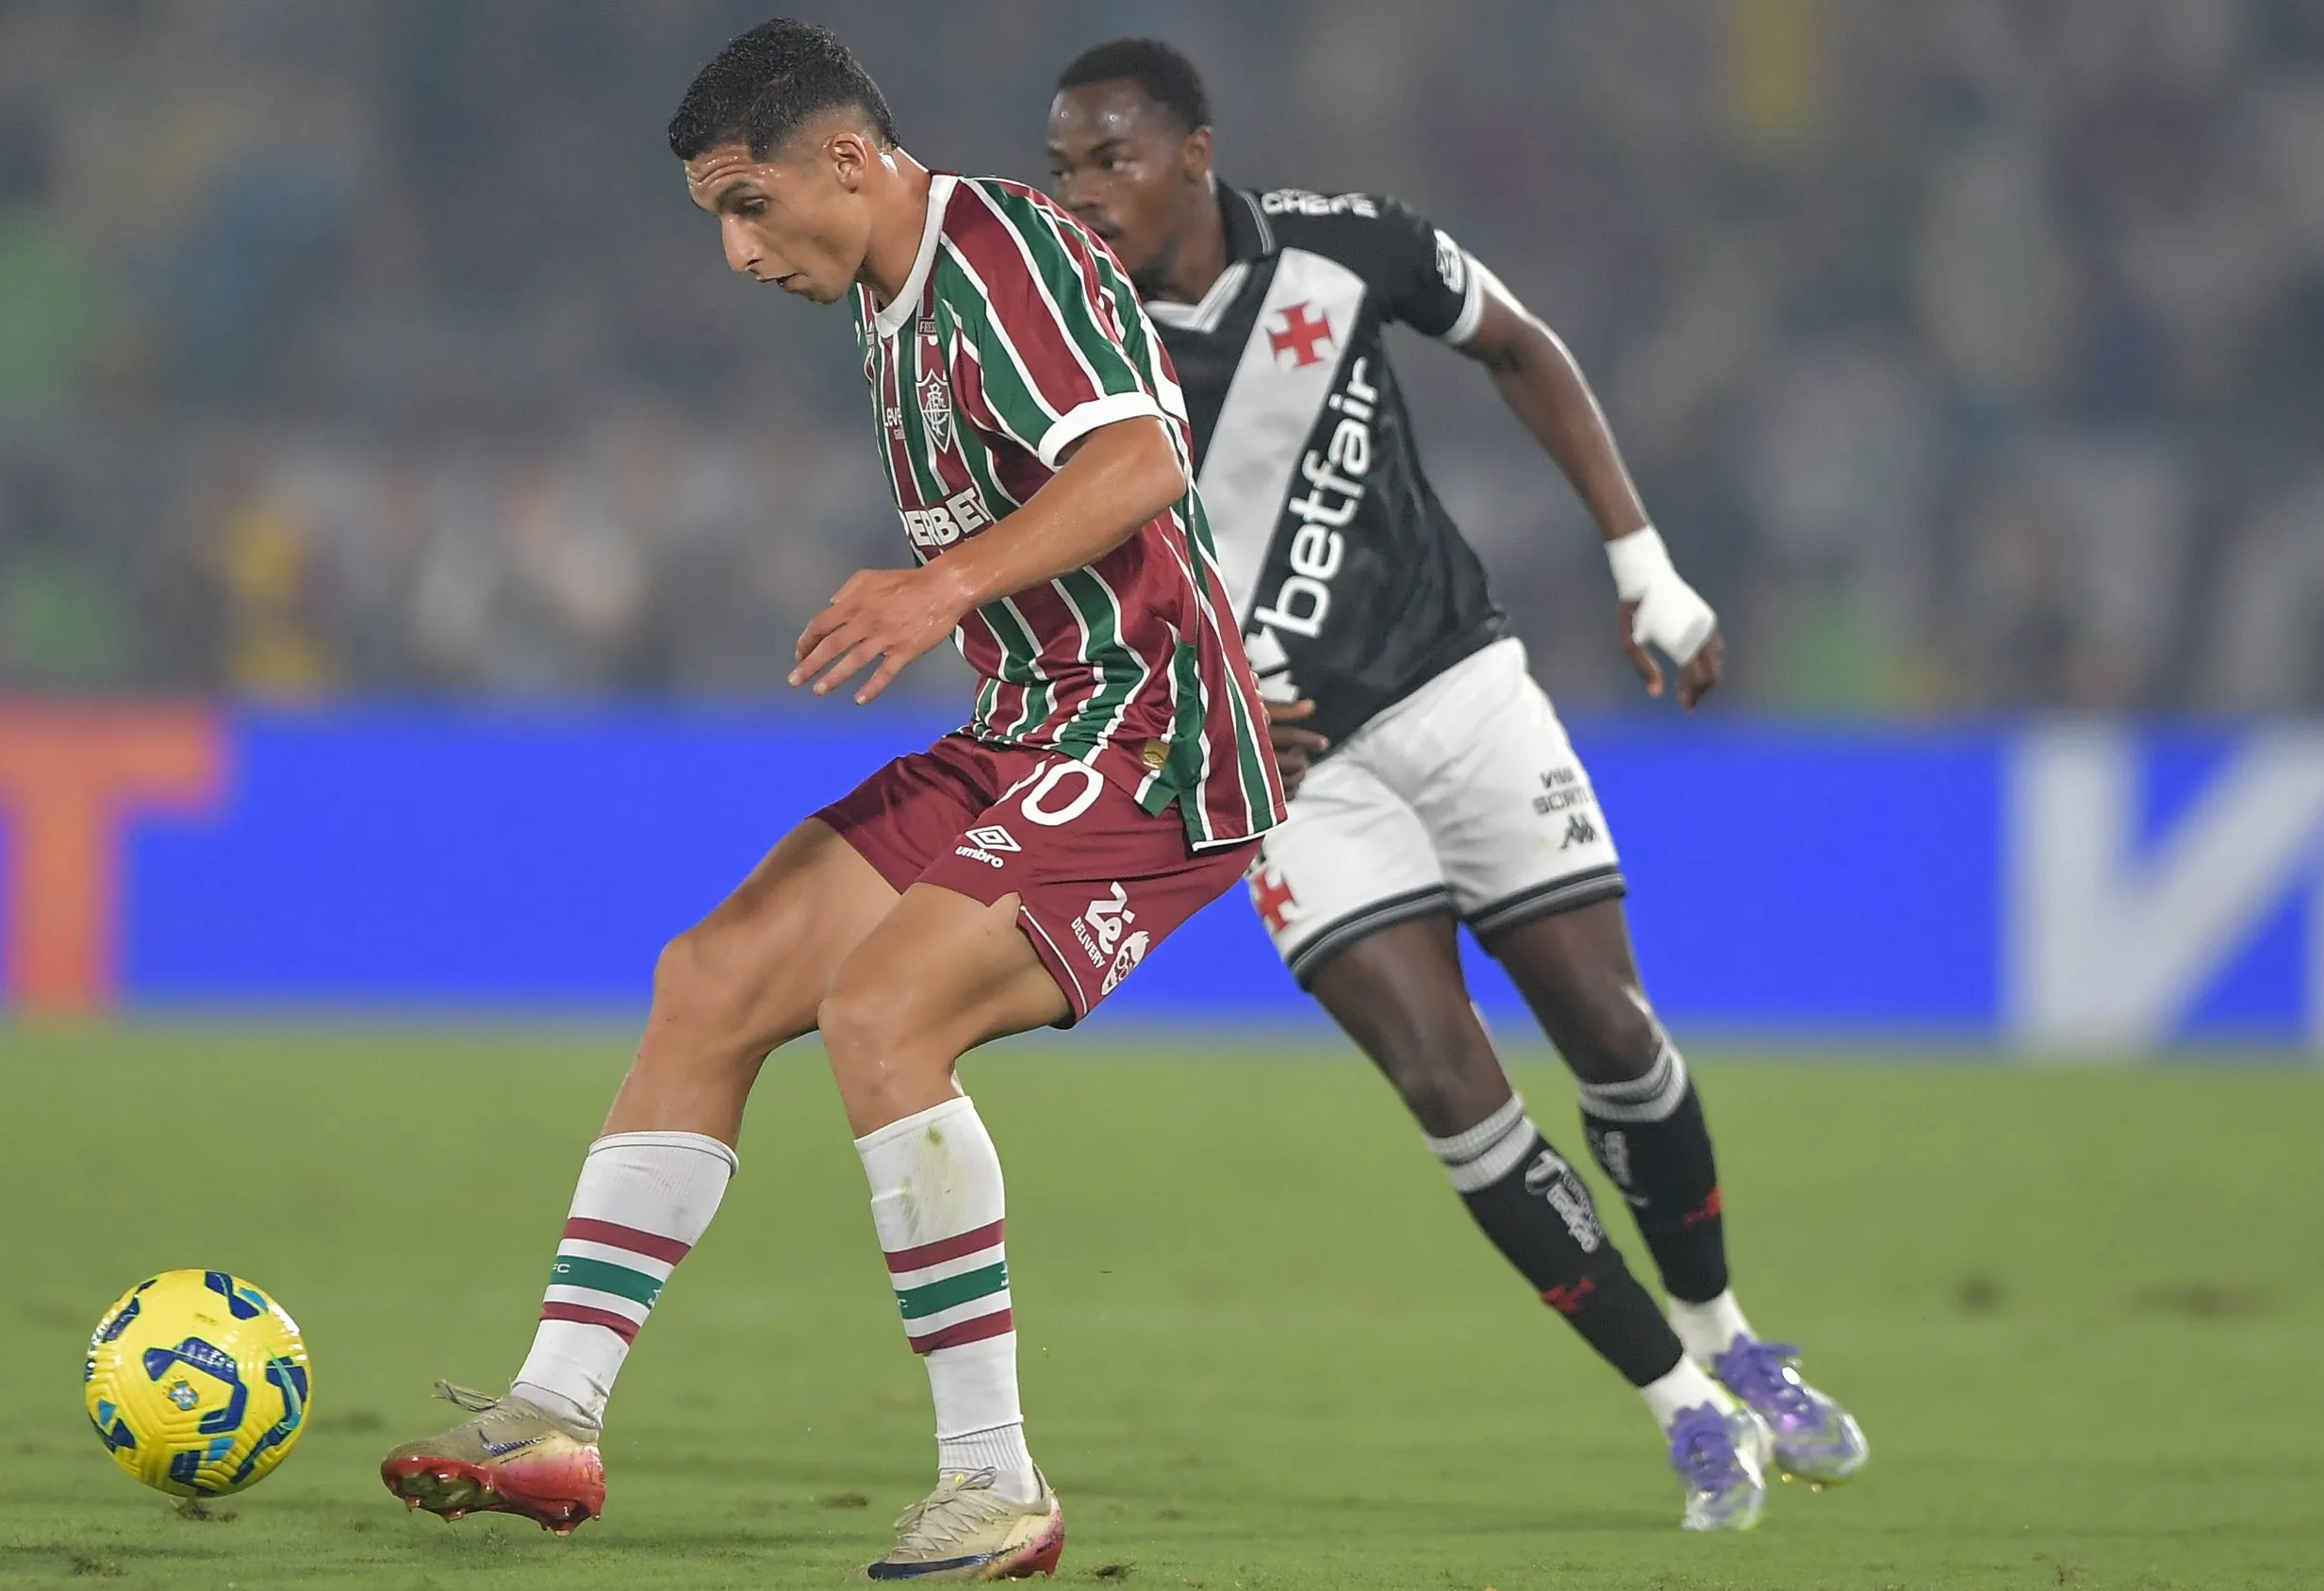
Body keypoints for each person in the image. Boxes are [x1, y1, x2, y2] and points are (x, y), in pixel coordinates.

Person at [381, 22, 1282, 1580]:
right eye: (717, 218)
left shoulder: (1000, 256)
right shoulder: (887, 291)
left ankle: (997, 1484)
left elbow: (1143, 460)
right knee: (713, 975)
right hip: (1027, 730)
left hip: (1155, 738)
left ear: (849, 161)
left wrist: (943, 584)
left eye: (750, 205)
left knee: (884, 1013)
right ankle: (553, 1414)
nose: (737, 252)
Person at [1042, 38, 1867, 1533]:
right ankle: (1683, 1408)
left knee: (1612, 1033)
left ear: (1195, 155)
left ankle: (1731, 1336)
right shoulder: (1069, 349)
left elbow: (1521, 345)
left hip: (1460, 690)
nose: (1085, 193)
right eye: (1065, 168)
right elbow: (1053, 583)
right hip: (1289, 770)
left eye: (1115, 160)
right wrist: (1189, 706)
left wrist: (1642, 563)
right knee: (1446, 1078)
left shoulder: (1349, 246)